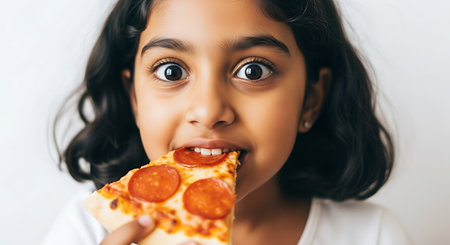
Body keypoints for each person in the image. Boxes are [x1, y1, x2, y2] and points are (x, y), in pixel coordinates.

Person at [44, 0, 414, 244]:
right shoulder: (87, 230)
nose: (208, 110)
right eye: (172, 70)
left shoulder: (373, 236)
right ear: (134, 98)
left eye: (253, 70)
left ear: (310, 101)